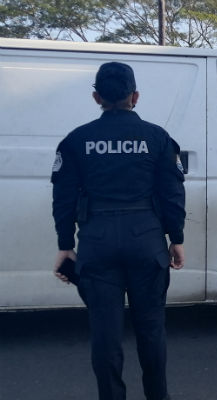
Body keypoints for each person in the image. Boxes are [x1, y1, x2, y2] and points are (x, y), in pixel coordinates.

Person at [51, 62, 186, 400]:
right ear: (135, 96)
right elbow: (172, 194)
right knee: (151, 330)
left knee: (105, 336)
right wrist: (177, 239)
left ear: (97, 97)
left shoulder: (75, 141)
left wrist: (65, 245)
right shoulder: (158, 138)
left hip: (97, 244)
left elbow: (63, 199)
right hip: (147, 242)